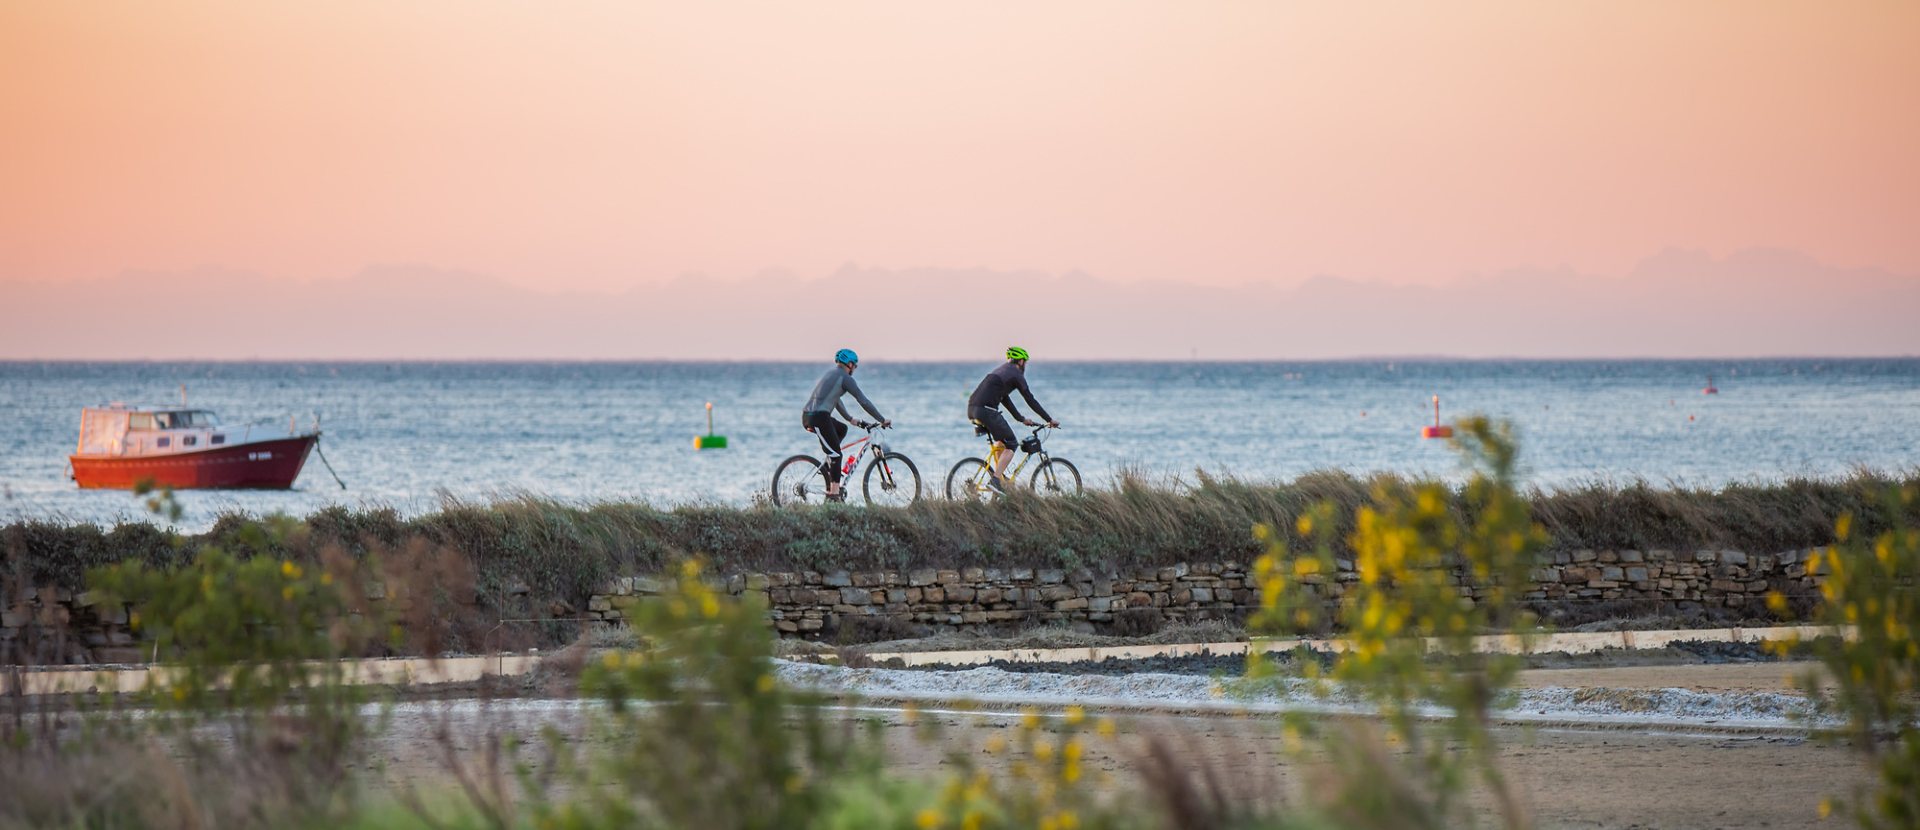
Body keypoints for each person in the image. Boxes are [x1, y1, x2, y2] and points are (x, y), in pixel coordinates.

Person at [802, 348, 891, 500]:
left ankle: (829, 465)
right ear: (849, 364)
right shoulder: (845, 378)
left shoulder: (830, 374)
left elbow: (835, 399)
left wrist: (850, 419)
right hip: (818, 418)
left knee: (842, 429)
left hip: (811, 416)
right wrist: (882, 419)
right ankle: (834, 495)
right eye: (855, 366)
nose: (855, 369)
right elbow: (863, 401)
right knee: (837, 455)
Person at [966, 346, 1059, 492]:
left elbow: (1004, 399)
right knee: (1012, 444)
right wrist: (1049, 419)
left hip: (973, 408)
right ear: (1021, 361)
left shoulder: (1001, 371)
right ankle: (995, 481)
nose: (1025, 365)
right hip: (986, 410)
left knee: (1002, 442)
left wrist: (1021, 419)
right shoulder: (1016, 374)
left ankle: (1000, 477)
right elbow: (1030, 399)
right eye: (1025, 362)